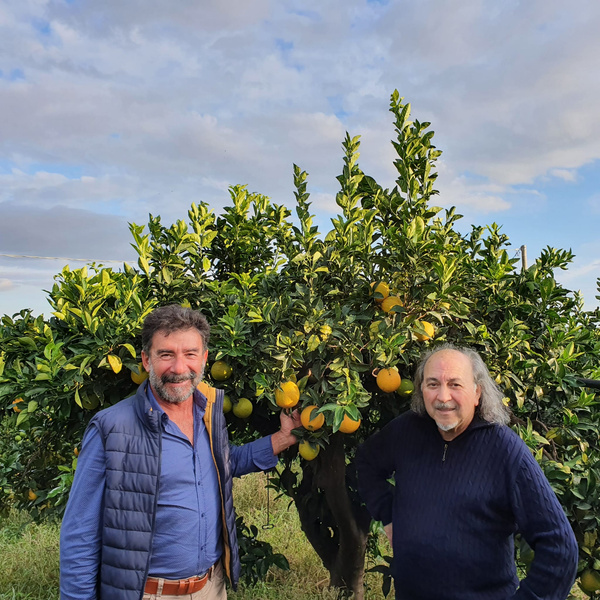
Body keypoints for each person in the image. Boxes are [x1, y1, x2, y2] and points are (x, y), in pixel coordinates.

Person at [60, 304, 301, 600]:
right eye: (166, 354)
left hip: (211, 588)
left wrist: (283, 438)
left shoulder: (208, 412)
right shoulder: (111, 428)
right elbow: (80, 533)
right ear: (146, 360)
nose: (179, 368)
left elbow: (223, 463)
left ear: (204, 359)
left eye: (190, 354)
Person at [356, 344, 578, 600]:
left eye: (455, 384)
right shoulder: (405, 431)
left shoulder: (505, 450)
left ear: (477, 392)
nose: (443, 397)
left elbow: (560, 546)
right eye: (433, 384)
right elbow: (367, 462)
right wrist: (388, 514)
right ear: (421, 390)